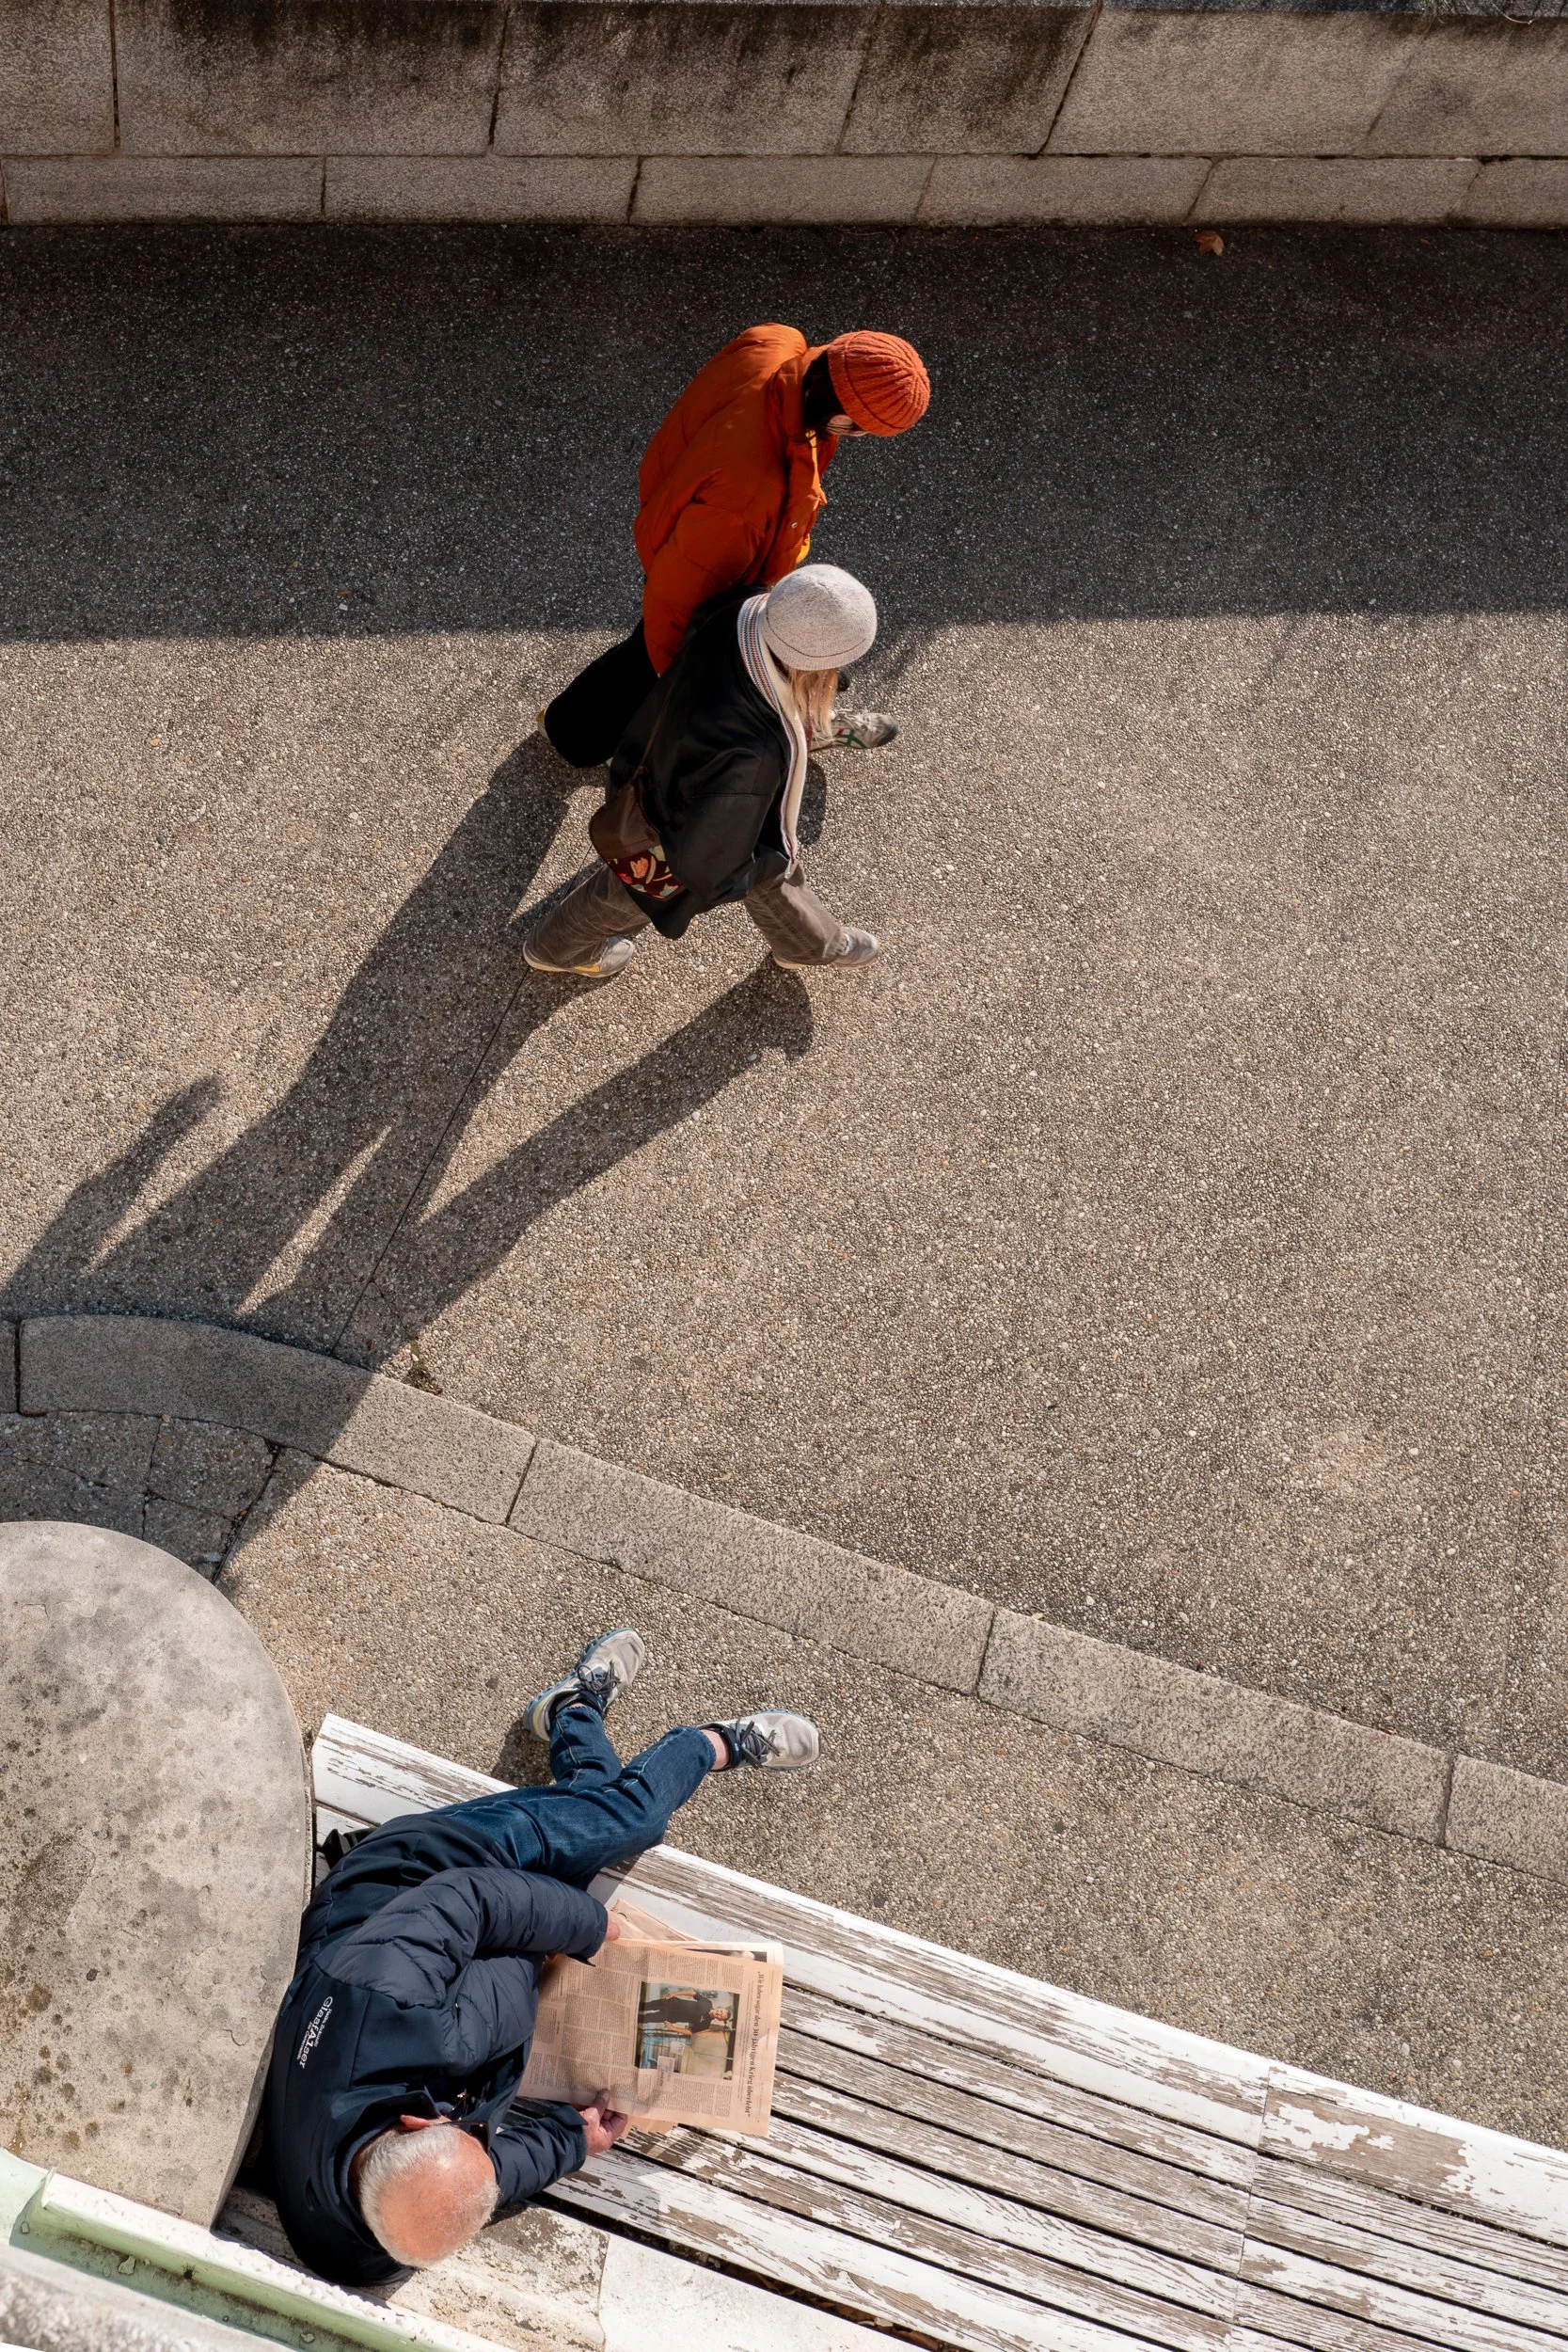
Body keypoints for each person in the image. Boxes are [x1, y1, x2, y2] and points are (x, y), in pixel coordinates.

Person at [263, 1630, 818, 2287]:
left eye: (466, 2132)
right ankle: (570, 1712)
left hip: (429, 1870)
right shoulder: (372, 2240)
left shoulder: (379, 1994)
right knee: (592, 1812)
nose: (479, 2134)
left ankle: (713, 1741)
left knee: (630, 1820)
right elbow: (479, 2182)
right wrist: (574, 2141)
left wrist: (587, 1927)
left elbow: (471, 1899)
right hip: (487, 1962)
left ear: (413, 2122)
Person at [543, 325, 929, 769]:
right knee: (675, 658)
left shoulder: (778, 343)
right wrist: (687, 677)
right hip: (704, 555)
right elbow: (680, 602)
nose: (854, 438)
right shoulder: (746, 495)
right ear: (841, 415)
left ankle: (567, 729)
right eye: (860, 431)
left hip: (676, 511)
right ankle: (789, 725)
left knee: (641, 652)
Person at [522, 564, 882, 981]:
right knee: (630, 890)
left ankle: (807, 945)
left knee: (766, 868)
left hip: (659, 758)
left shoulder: (740, 606)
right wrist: (759, 863)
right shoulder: (754, 756)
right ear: (818, 667)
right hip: (667, 827)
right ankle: (552, 950)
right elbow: (707, 866)